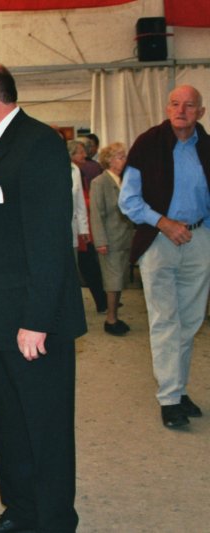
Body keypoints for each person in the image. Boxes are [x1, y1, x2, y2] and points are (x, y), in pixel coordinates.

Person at [0, 60, 86, 533]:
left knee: (44, 428)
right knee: (9, 425)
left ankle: (53, 521)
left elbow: (50, 239)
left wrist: (37, 319)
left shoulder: (38, 143)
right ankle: (21, 512)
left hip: (31, 321)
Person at [119, 84, 210, 429]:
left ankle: (178, 388)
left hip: (199, 239)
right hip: (158, 241)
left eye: (189, 105)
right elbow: (128, 201)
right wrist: (164, 223)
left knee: (189, 322)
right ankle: (170, 398)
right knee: (165, 321)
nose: (181, 111)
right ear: (167, 108)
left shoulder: (207, 148)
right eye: (175, 104)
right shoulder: (148, 144)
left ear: (201, 112)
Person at [90, 143, 134, 336]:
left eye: (124, 156)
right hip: (109, 239)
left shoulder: (124, 180)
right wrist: (100, 241)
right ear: (109, 160)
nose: (124, 160)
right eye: (120, 157)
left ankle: (114, 316)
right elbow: (96, 214)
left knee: (119, 280)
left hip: (124, 238)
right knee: (112, 281)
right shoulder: (99, 182)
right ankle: (110, 319)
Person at [69, 139, 106, 313]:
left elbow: (79, 202)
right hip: (65, 229)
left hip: (77, 227)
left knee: (84, 266)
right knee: (86, 267)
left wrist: (84, 229)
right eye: (80, 152)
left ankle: (101, 302)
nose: (85, 155)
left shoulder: (76, 170)